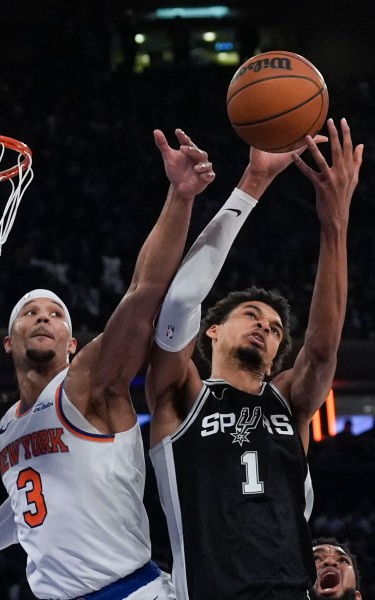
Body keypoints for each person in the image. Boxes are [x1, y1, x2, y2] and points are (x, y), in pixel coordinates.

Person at [0, 126, 217, 600]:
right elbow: (25, 508)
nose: (42, 317)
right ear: (8, 343)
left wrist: (181, 196)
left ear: (72, 343)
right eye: (30, 313)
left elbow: (144, 292)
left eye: (55, 314)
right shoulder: (7, 428)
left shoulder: (89, 382)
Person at [145, 117, 363, 600]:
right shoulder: (181, 396)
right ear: (213, 330)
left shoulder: (288, 400)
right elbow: (181, 301)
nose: (265, 326)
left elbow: (323, 348)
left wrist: (335, 223)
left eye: (275, 327)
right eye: (251, 314)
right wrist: (254, 183)